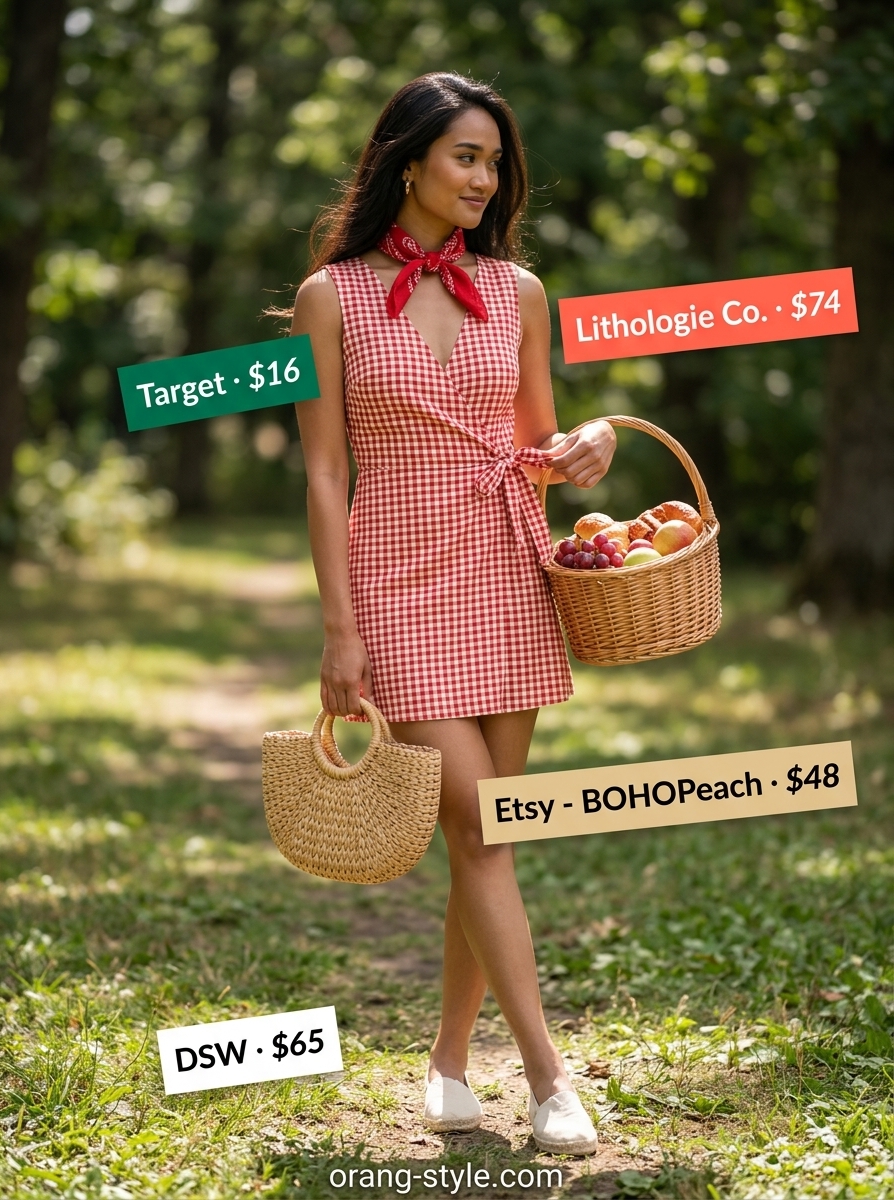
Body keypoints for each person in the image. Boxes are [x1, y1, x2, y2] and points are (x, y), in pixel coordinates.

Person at [291, 72, 616, 1155]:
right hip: (392, 584)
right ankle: (545, 1074)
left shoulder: (518, 290)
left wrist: (590, 446)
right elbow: (324, 471)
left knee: (489, 835)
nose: (483, 178)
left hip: (503, 575)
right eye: (464, 157)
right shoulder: (327, 299)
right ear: (409, 161)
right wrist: (341, 630)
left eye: (493, 161)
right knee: (480, 826)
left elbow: (542, 444)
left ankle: (443, 1064)